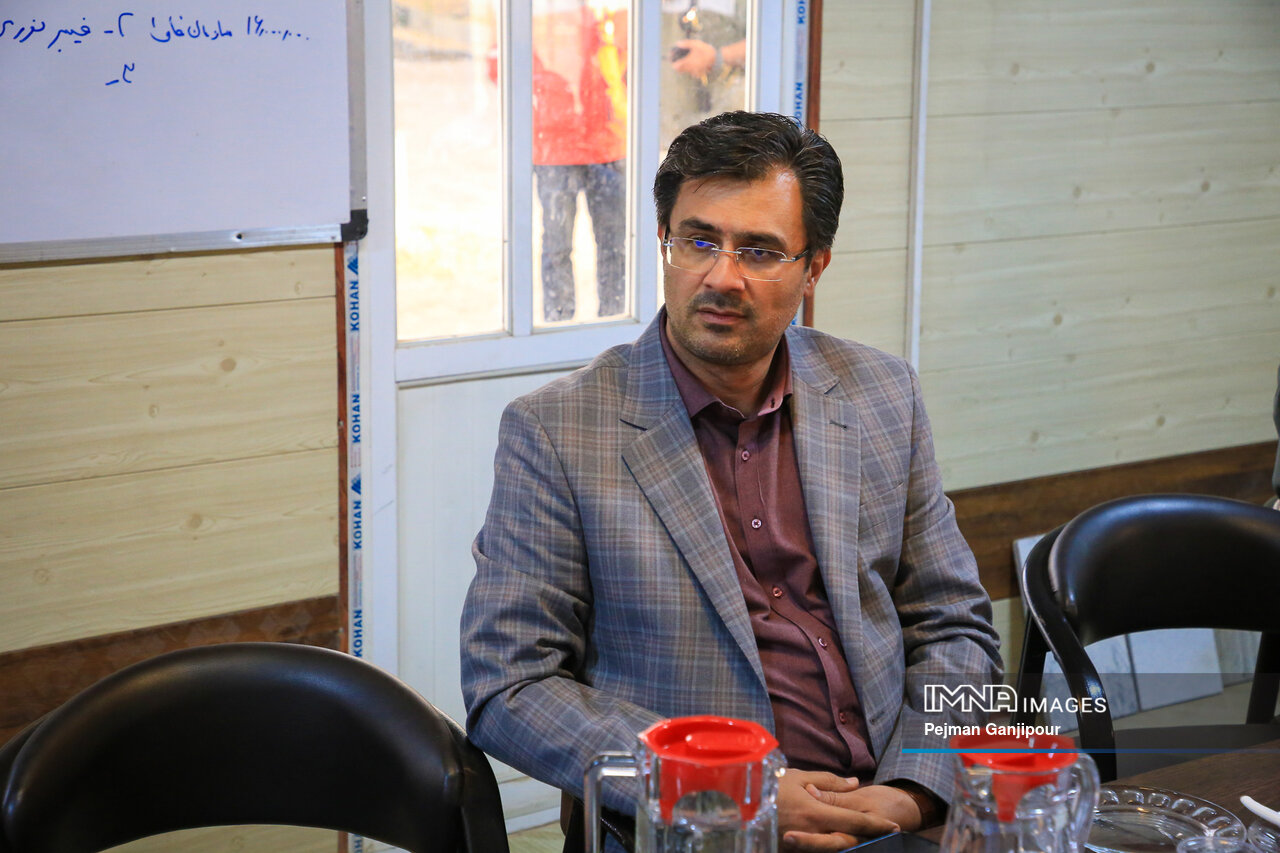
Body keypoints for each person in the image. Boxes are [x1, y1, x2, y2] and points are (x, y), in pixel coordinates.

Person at [461, 111, 1002, 851]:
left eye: (760, 251)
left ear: (814, 269)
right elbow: (509, 686)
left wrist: (915, 788)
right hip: (695, 831)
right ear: (665, 241)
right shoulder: (558, 431)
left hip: (891, 817)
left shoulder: (882, 393)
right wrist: (727, 785)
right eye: (699, 241)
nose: (721, 276)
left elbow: (954, 624)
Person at [490, 2, 628, 322]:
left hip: (606, 142)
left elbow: (633, 56)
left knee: (614, 244)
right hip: (555, 145)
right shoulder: (537, 11)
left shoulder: (612, 9)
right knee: (557, 244)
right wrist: (549, 90)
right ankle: (559, 323)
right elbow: (498, 62)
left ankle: (615, 322)